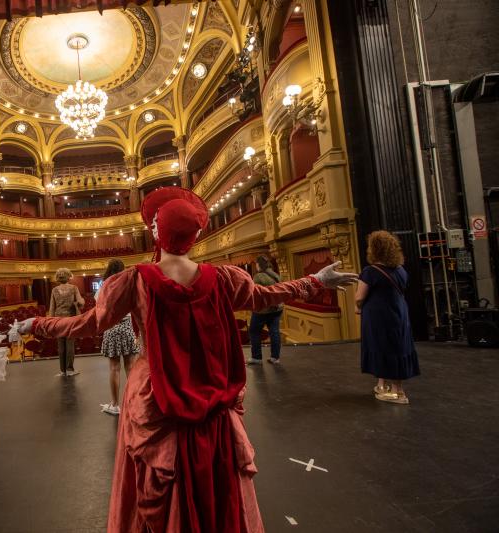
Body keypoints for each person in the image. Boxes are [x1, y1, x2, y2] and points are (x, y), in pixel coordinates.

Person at [18, 187, 357, 532]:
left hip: (155, 396)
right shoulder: (223, 278)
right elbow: (264, 296)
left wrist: (38, 324)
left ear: (157, 232)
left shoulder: (136, 281)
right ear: (194, 236)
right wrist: (315, 281)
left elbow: (88, 323)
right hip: (210, 390)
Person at [356, 230, 420, 405]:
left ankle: (397, 392)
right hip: (399, 312)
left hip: (378, 316)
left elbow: (359, 297)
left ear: (373, 249)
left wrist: (358, 307)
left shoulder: (370, 272)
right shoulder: (400, 270)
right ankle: (382, 385)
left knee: (382, 346)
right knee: (395, 345)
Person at [98, 259, 138, 416]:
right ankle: (134, 403)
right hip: (128, 326)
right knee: (131, 367)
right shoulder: (129, 284)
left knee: (114, 368)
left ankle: (115, 405)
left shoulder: (104, 287)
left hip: (112, 327)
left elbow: (99, 311)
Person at [247, 255, 284, 365]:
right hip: (277, 308)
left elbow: (255, 294)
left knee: (254, 331)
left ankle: (257, 357)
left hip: (263, 310)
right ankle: (275, 357)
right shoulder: (276, 275)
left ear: (259, 264)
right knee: (274, 332)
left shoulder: (258, 277)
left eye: (256, 264)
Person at [48, 267, 84, 377]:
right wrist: (79, 303)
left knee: (61, 345)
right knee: (70, 344)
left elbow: (52, 308)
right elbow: (81, 302)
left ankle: (62, 371)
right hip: (70, 320)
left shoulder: (54, 290)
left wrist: (51, 322)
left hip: (58, 320)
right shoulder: (74, 288)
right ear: (69, 277)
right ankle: (70, 369)